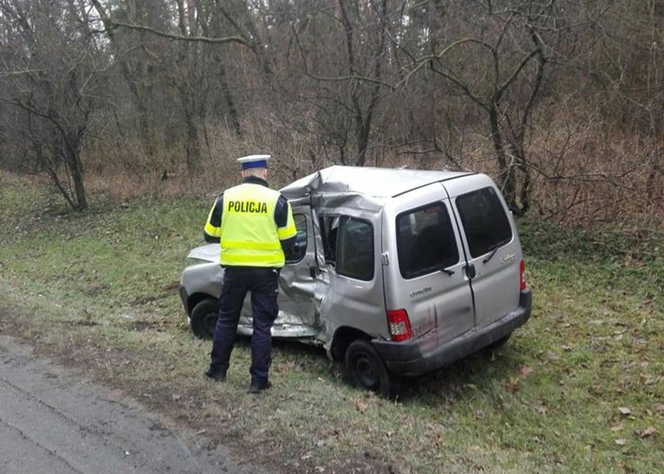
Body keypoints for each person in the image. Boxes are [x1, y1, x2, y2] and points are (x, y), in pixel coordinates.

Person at [202, 154, 297, 394]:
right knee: (262, 326)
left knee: (226, 319)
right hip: (265, 273)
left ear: (243, 173)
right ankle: (258, 380)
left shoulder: (226, 198)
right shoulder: (278, 201)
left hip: (234, 270)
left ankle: (217, 370)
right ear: (264, 172)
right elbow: (290, 241)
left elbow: (210, 234)